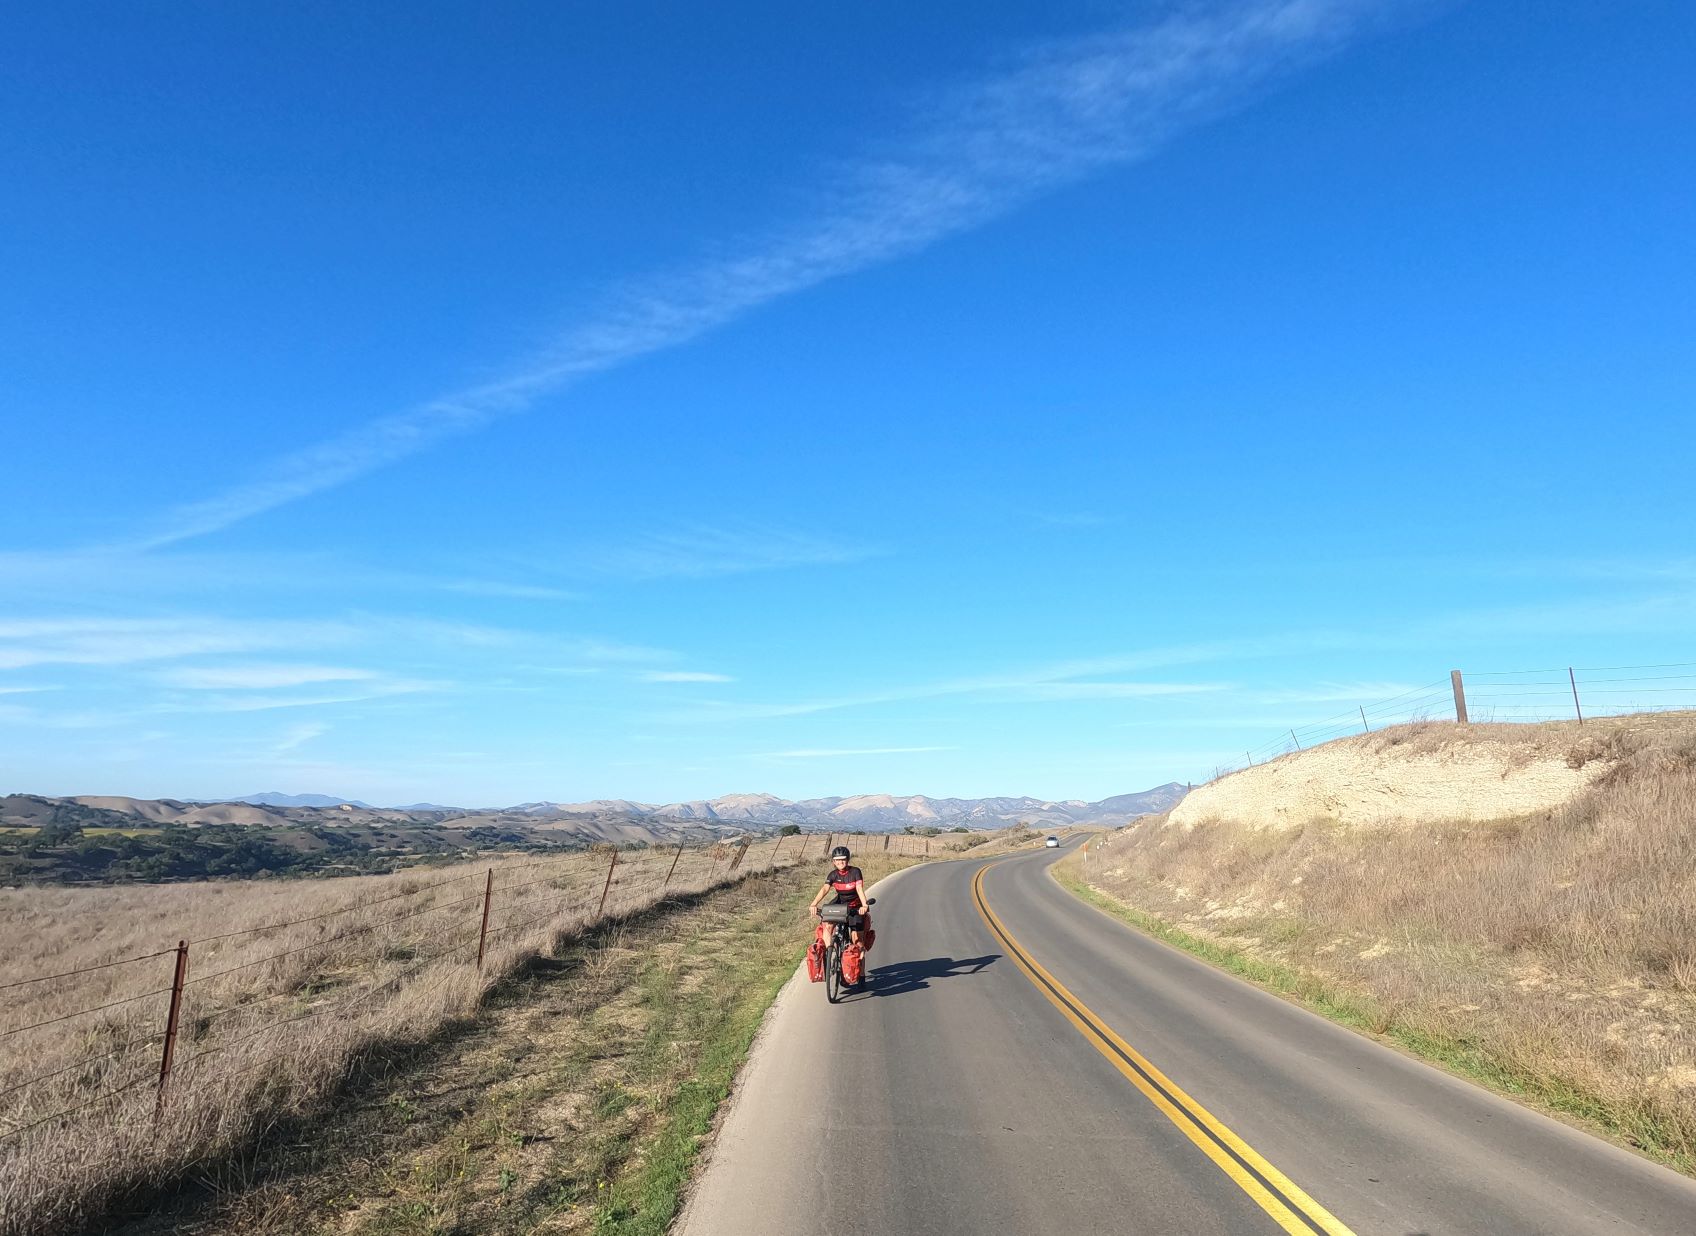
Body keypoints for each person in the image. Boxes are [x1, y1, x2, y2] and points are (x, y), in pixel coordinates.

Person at [809, 845, 872, 974]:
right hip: (840, 903)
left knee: (857, 941)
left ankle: (861, 975)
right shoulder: (833, 875)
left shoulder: (855, 872)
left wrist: (864, 905)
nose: (840, 862)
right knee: (827, 922)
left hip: (855, 905)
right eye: (837, 860)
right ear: (833, 861)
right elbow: (825, 889)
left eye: (843, 859)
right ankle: (829, 950)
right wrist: (814, 904)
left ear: (847, 860)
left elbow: (859, 889)